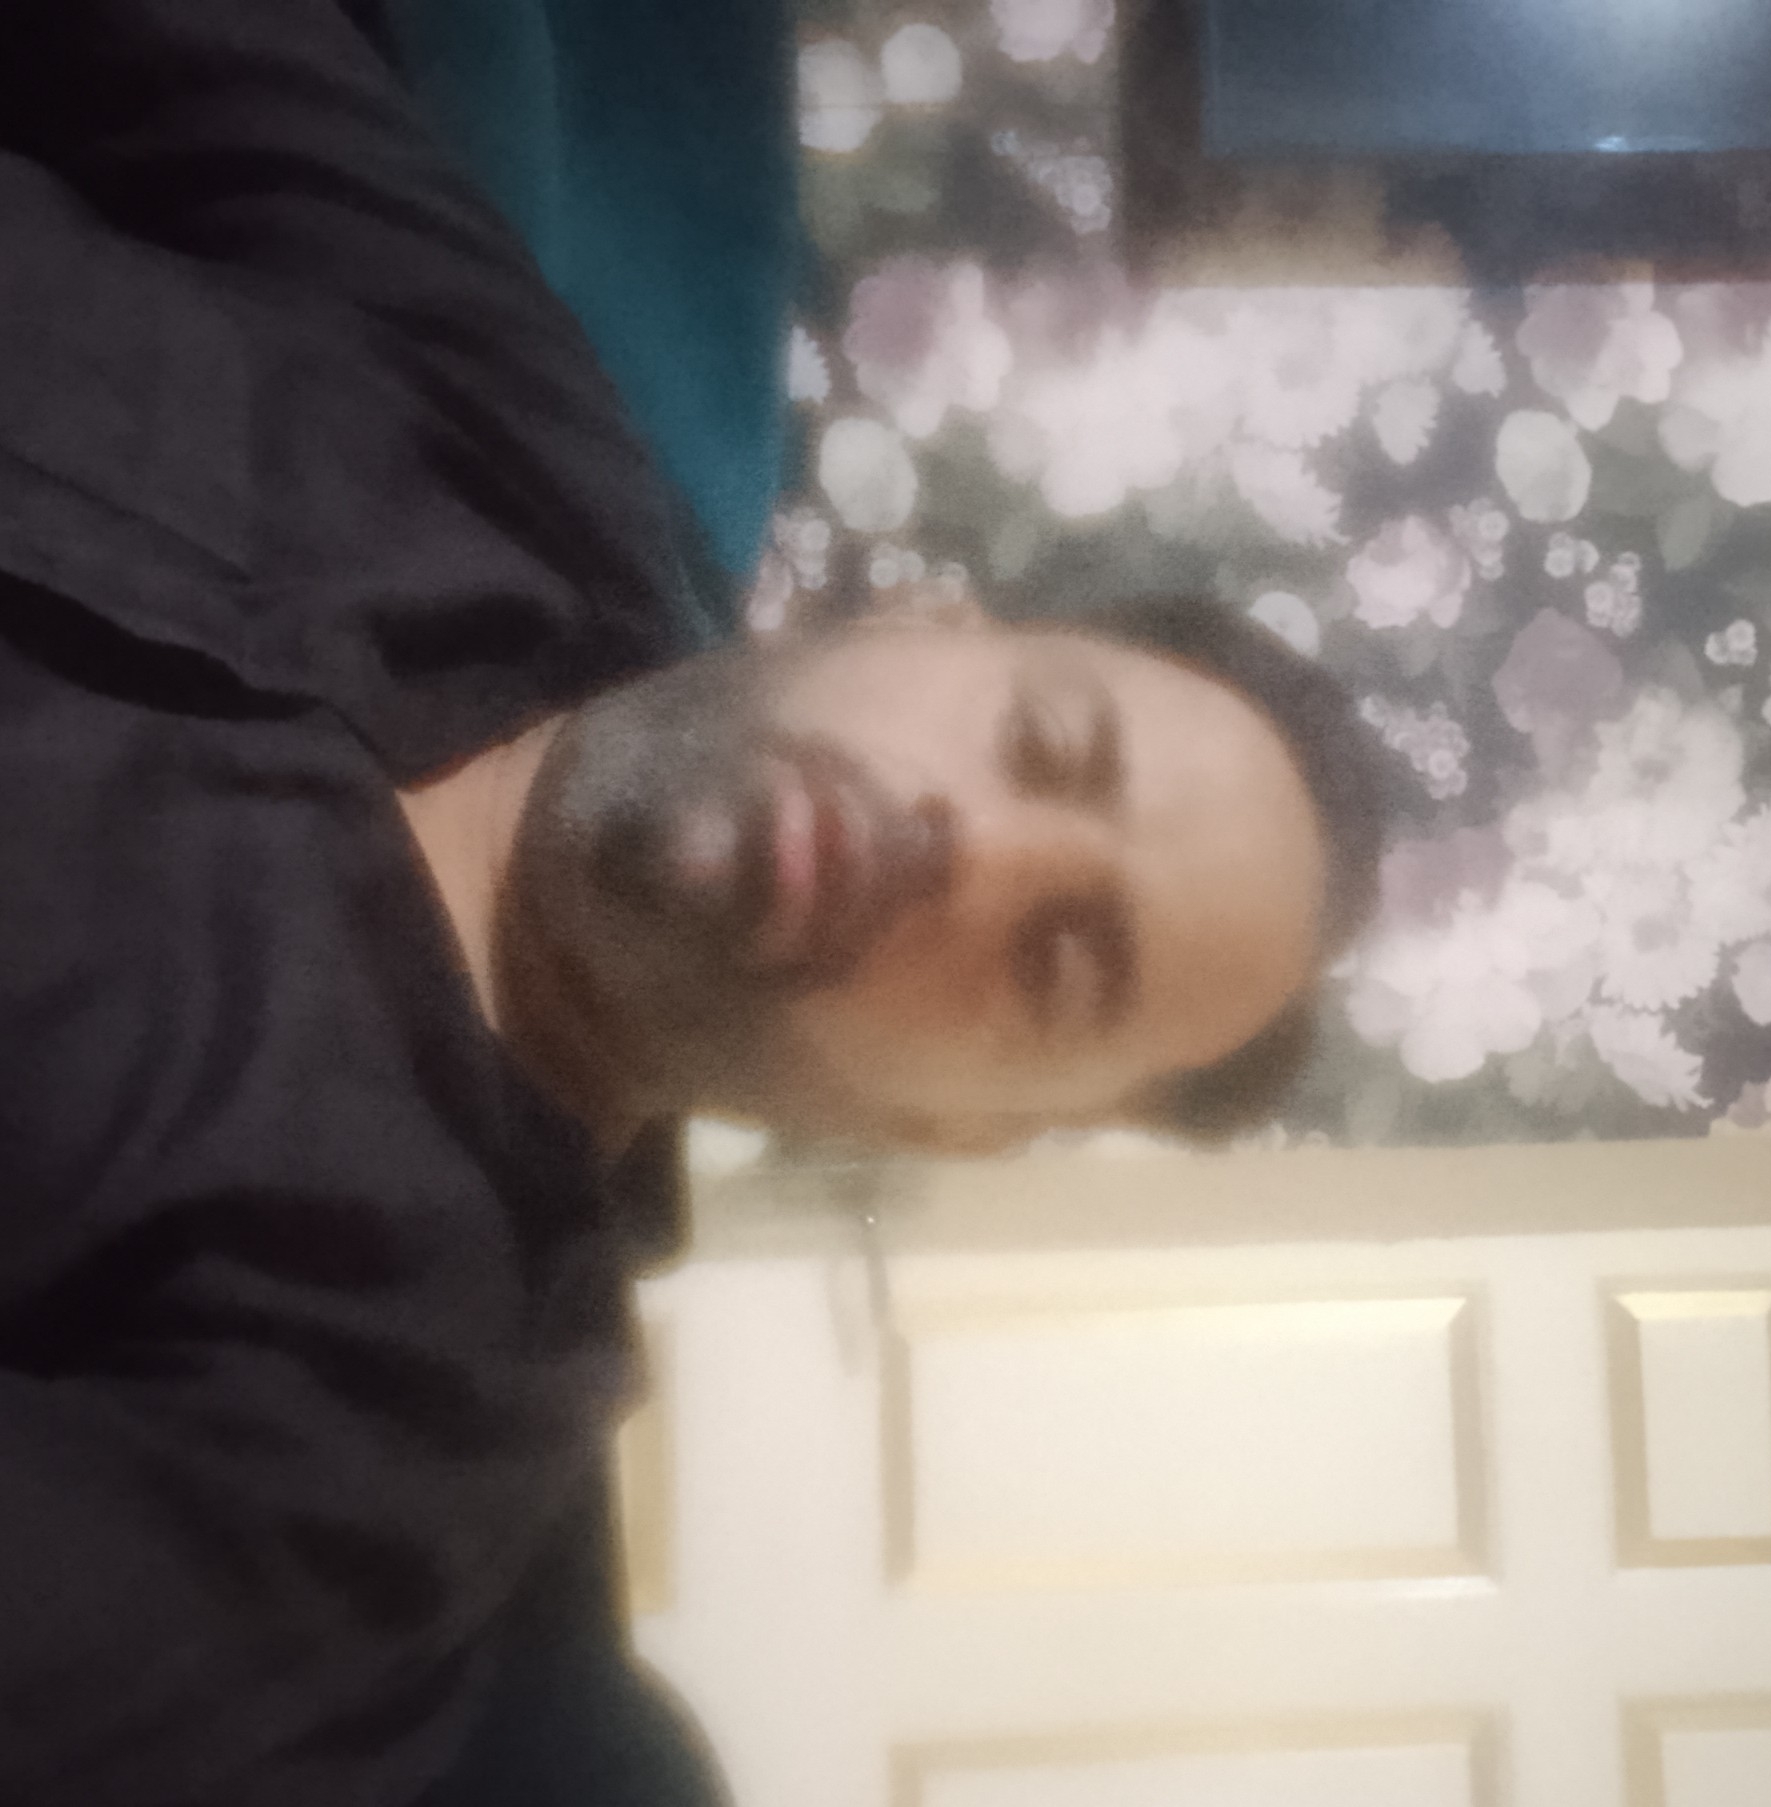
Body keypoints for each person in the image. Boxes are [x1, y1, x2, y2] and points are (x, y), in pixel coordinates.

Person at [0, 3, 1385, 1805]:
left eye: (1058, 964)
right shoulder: (517, 432)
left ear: (956, 1127)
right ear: (923, 624)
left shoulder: (373, 1450)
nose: (967, 850)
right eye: (1043, 744)